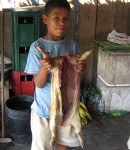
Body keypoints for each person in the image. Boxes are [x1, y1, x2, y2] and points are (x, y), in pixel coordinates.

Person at [24, 0, 86, 149]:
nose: (61, 23)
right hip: (44, 111)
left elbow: (77, 80)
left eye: (65, 18)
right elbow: (38, 84)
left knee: (62, 145)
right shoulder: (37, 48)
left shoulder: (72, 46)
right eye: (56, 18)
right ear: (45, 19)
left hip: (67, 110)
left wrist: (80, 70)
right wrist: (45, 67)